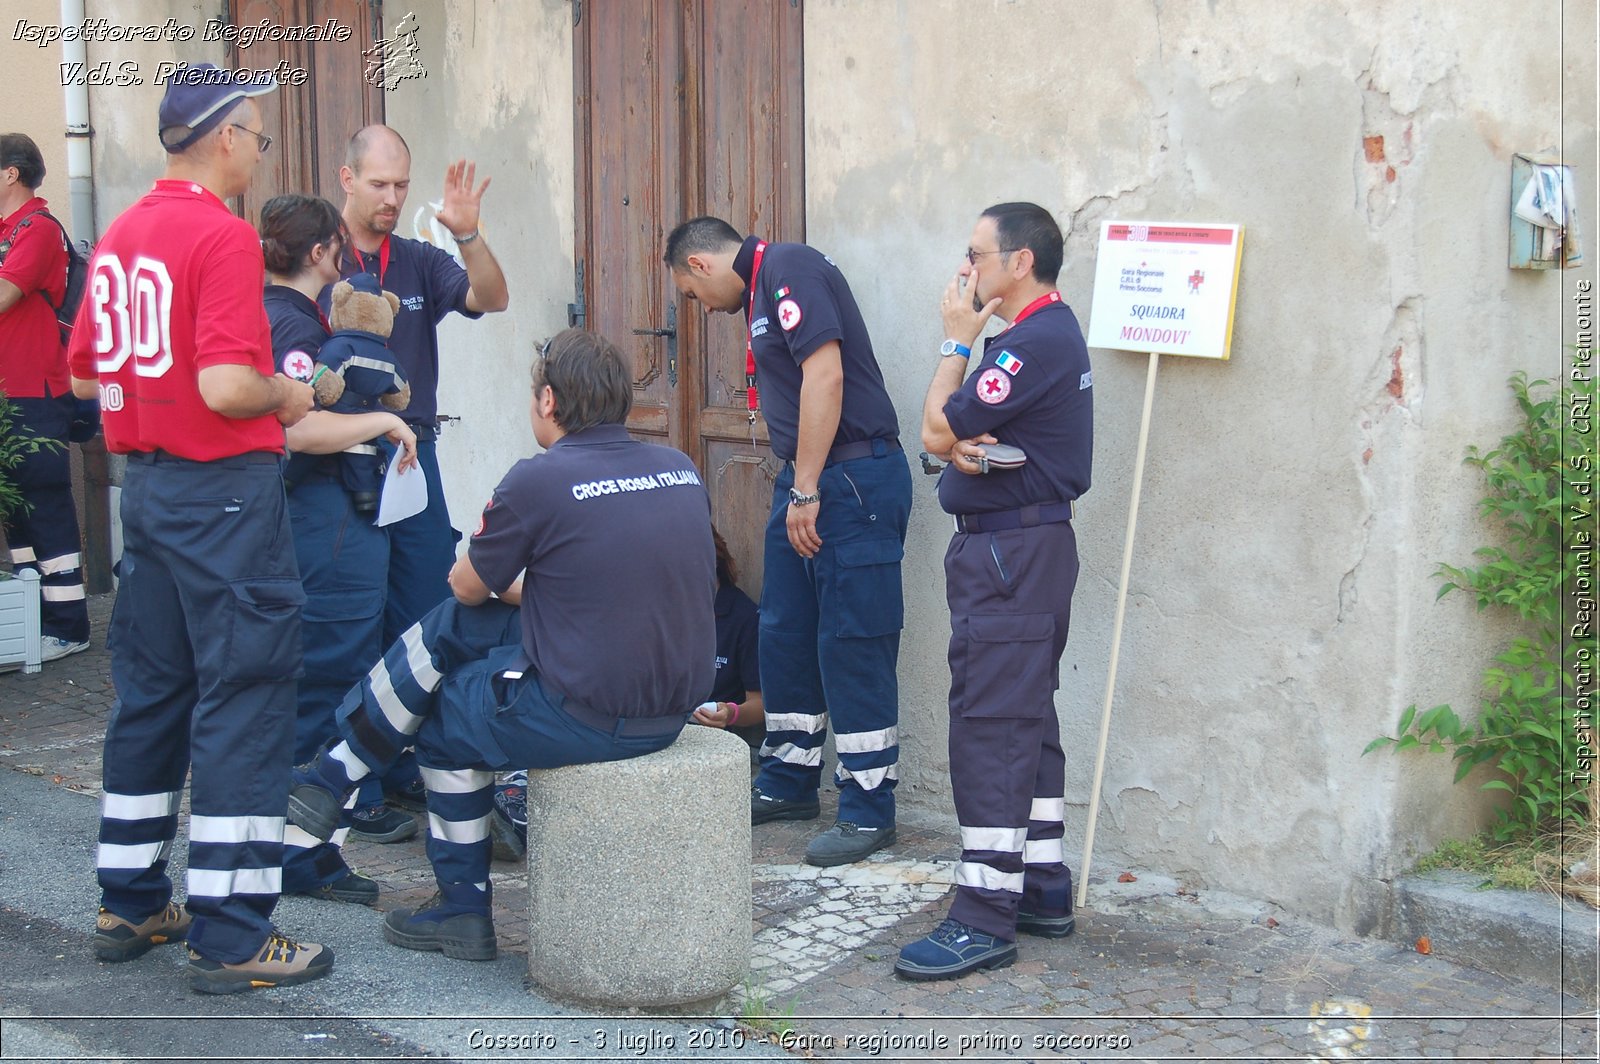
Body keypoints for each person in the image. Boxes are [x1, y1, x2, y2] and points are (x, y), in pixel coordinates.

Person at [285, 329, 715, 961]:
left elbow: (464, 585)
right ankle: (332, 778)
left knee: (444, 713)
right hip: (670, 708)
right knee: (461, 630)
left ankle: (455, 903)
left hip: (594, 715)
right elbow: (594, 585)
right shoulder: (676, 465)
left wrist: (512, 582)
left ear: (548, 401)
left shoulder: (540, 479)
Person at [68, 65, 331, 994]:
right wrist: (291, 394)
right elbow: (227, 388)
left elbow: (80, 373)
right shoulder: (219, 237)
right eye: (256, 136)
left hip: (147, 489)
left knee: (153, 694)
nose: (261, 151)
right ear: (223, 138)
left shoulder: (120, 237)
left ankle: (130, 900)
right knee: (246, 700)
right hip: (225, 495)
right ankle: (232, 931)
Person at [663, 217, 911, 867]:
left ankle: (867, 807)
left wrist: (806, 491)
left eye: (693, 298)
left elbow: (825, 378)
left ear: (699, 266)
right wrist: (798, 486)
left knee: (852, 640)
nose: (703, 310)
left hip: (848, 480)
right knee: (786, 633)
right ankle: (789, 778)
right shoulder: (765, 288)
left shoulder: (789, 268)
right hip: (806, 476)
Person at [896, 202, 1092, 982]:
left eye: (975, 254)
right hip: (1022, 548)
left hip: (1013, 556)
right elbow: (961, 442)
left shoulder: (1031, 340)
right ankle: (1040, 886)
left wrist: (954, 340)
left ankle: (983, 914)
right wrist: (974, 450)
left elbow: (935, 432)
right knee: (1027, 721)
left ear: (1019, 264)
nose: (964, 270)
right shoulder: (1041, 335)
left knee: (991, 727)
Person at [329, 124, 510, 839]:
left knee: (422, 616)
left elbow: (491, 298)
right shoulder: (317, 251)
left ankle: (401, 760)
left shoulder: (417, 259)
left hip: (414, 454)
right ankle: (352, 777)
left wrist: (468, 236)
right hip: (336, 454)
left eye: (402, 186)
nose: (392, 198)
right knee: (349, 616)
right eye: (379, 185)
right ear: (347, 179)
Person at [260, 193, 419, 905]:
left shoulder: (288, 318)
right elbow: (295, 430)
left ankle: (305, 851)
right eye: (339, 248)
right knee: (330, 679)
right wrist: (383, 420)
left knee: (327, 677)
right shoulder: (293, 324)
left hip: (318, 518)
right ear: (323, 252)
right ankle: (303, 857)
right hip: (322, 519)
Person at [489, 525, 762, 861]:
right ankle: (519, 807)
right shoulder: (647, 603)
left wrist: (729, 713)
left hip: (689, 733)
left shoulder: (743, 616)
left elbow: (760, 706)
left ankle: (526, 817)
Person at [0, 132, 89, 663]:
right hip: (11, 393)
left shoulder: (37, 229)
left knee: (47, 505)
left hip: (38, 392)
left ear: (10, 173)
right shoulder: (9, 230)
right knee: (20, 513)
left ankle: (68, 624)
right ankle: (30, 620)